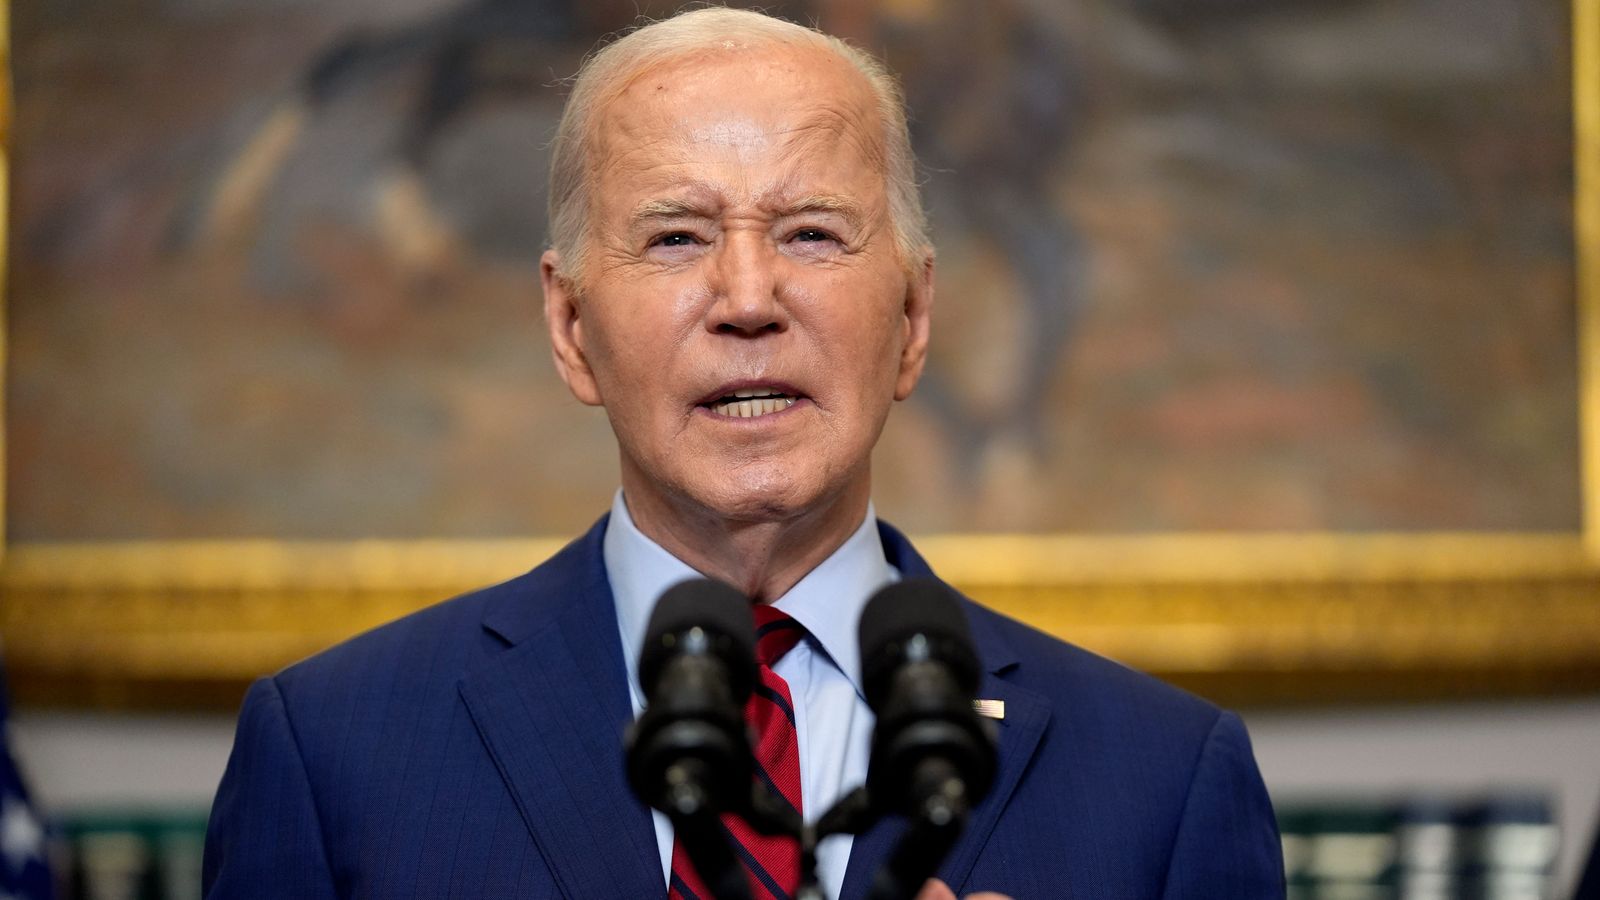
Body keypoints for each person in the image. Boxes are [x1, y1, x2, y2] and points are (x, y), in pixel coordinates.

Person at [202, 8, 1283, 899]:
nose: (749, 300)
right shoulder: (335, 755)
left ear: (910, 320)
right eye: (675, 236)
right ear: (571, 328)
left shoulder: (1160, 781)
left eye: (812, 232)